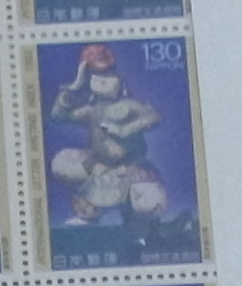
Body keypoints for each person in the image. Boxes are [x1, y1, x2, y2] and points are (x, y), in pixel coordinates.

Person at [45, 43, 173, 234]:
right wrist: (73, 87)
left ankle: (142, 228)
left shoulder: (129, 105)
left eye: (108, 76)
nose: (103, 81)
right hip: (100, 167)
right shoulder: (91, 110)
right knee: (61, 164)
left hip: (132, 168)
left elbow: (155, 117)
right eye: (96, 77)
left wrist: (124, 130)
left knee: (148, 205)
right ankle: (90, 214)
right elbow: (58, 116)